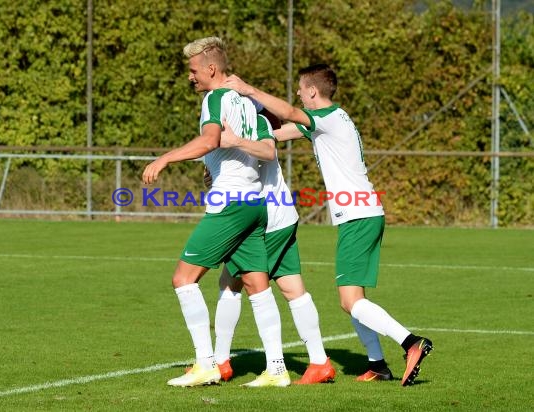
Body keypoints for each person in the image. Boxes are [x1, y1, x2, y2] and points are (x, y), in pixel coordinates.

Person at [222, 64, 433, 386]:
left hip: (359, 217)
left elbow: (291, 113)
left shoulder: (328, 118)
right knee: (351, 301)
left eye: (300, 88)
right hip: (361, 215)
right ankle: (378, 364)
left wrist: (249, 90)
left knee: (351, 301)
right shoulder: (326, 122)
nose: (296, 93)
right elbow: (278, 134)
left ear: (311, 91)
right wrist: (238, 137)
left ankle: (410, 342)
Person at [142, 36, 289, 387]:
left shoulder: (215, 97)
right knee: (257, 284)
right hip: (255, 203)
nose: (190, 77)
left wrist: (164, 158)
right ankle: (277, 369)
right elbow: (255, 149)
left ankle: (205, 363)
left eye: (193, 71)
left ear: (211, 68)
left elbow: (211, 140)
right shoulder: (246, 101)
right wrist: (216, 163)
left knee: (183, 279)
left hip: (231, 204)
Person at [210, 112, 336, 385]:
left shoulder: (254, 125)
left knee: (231, 284)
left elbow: (264, 152)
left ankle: (222, 362)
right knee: (293, 289)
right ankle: (319, 361)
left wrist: (232, 142)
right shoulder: (250, 126)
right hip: (283, 217)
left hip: (262, 221)